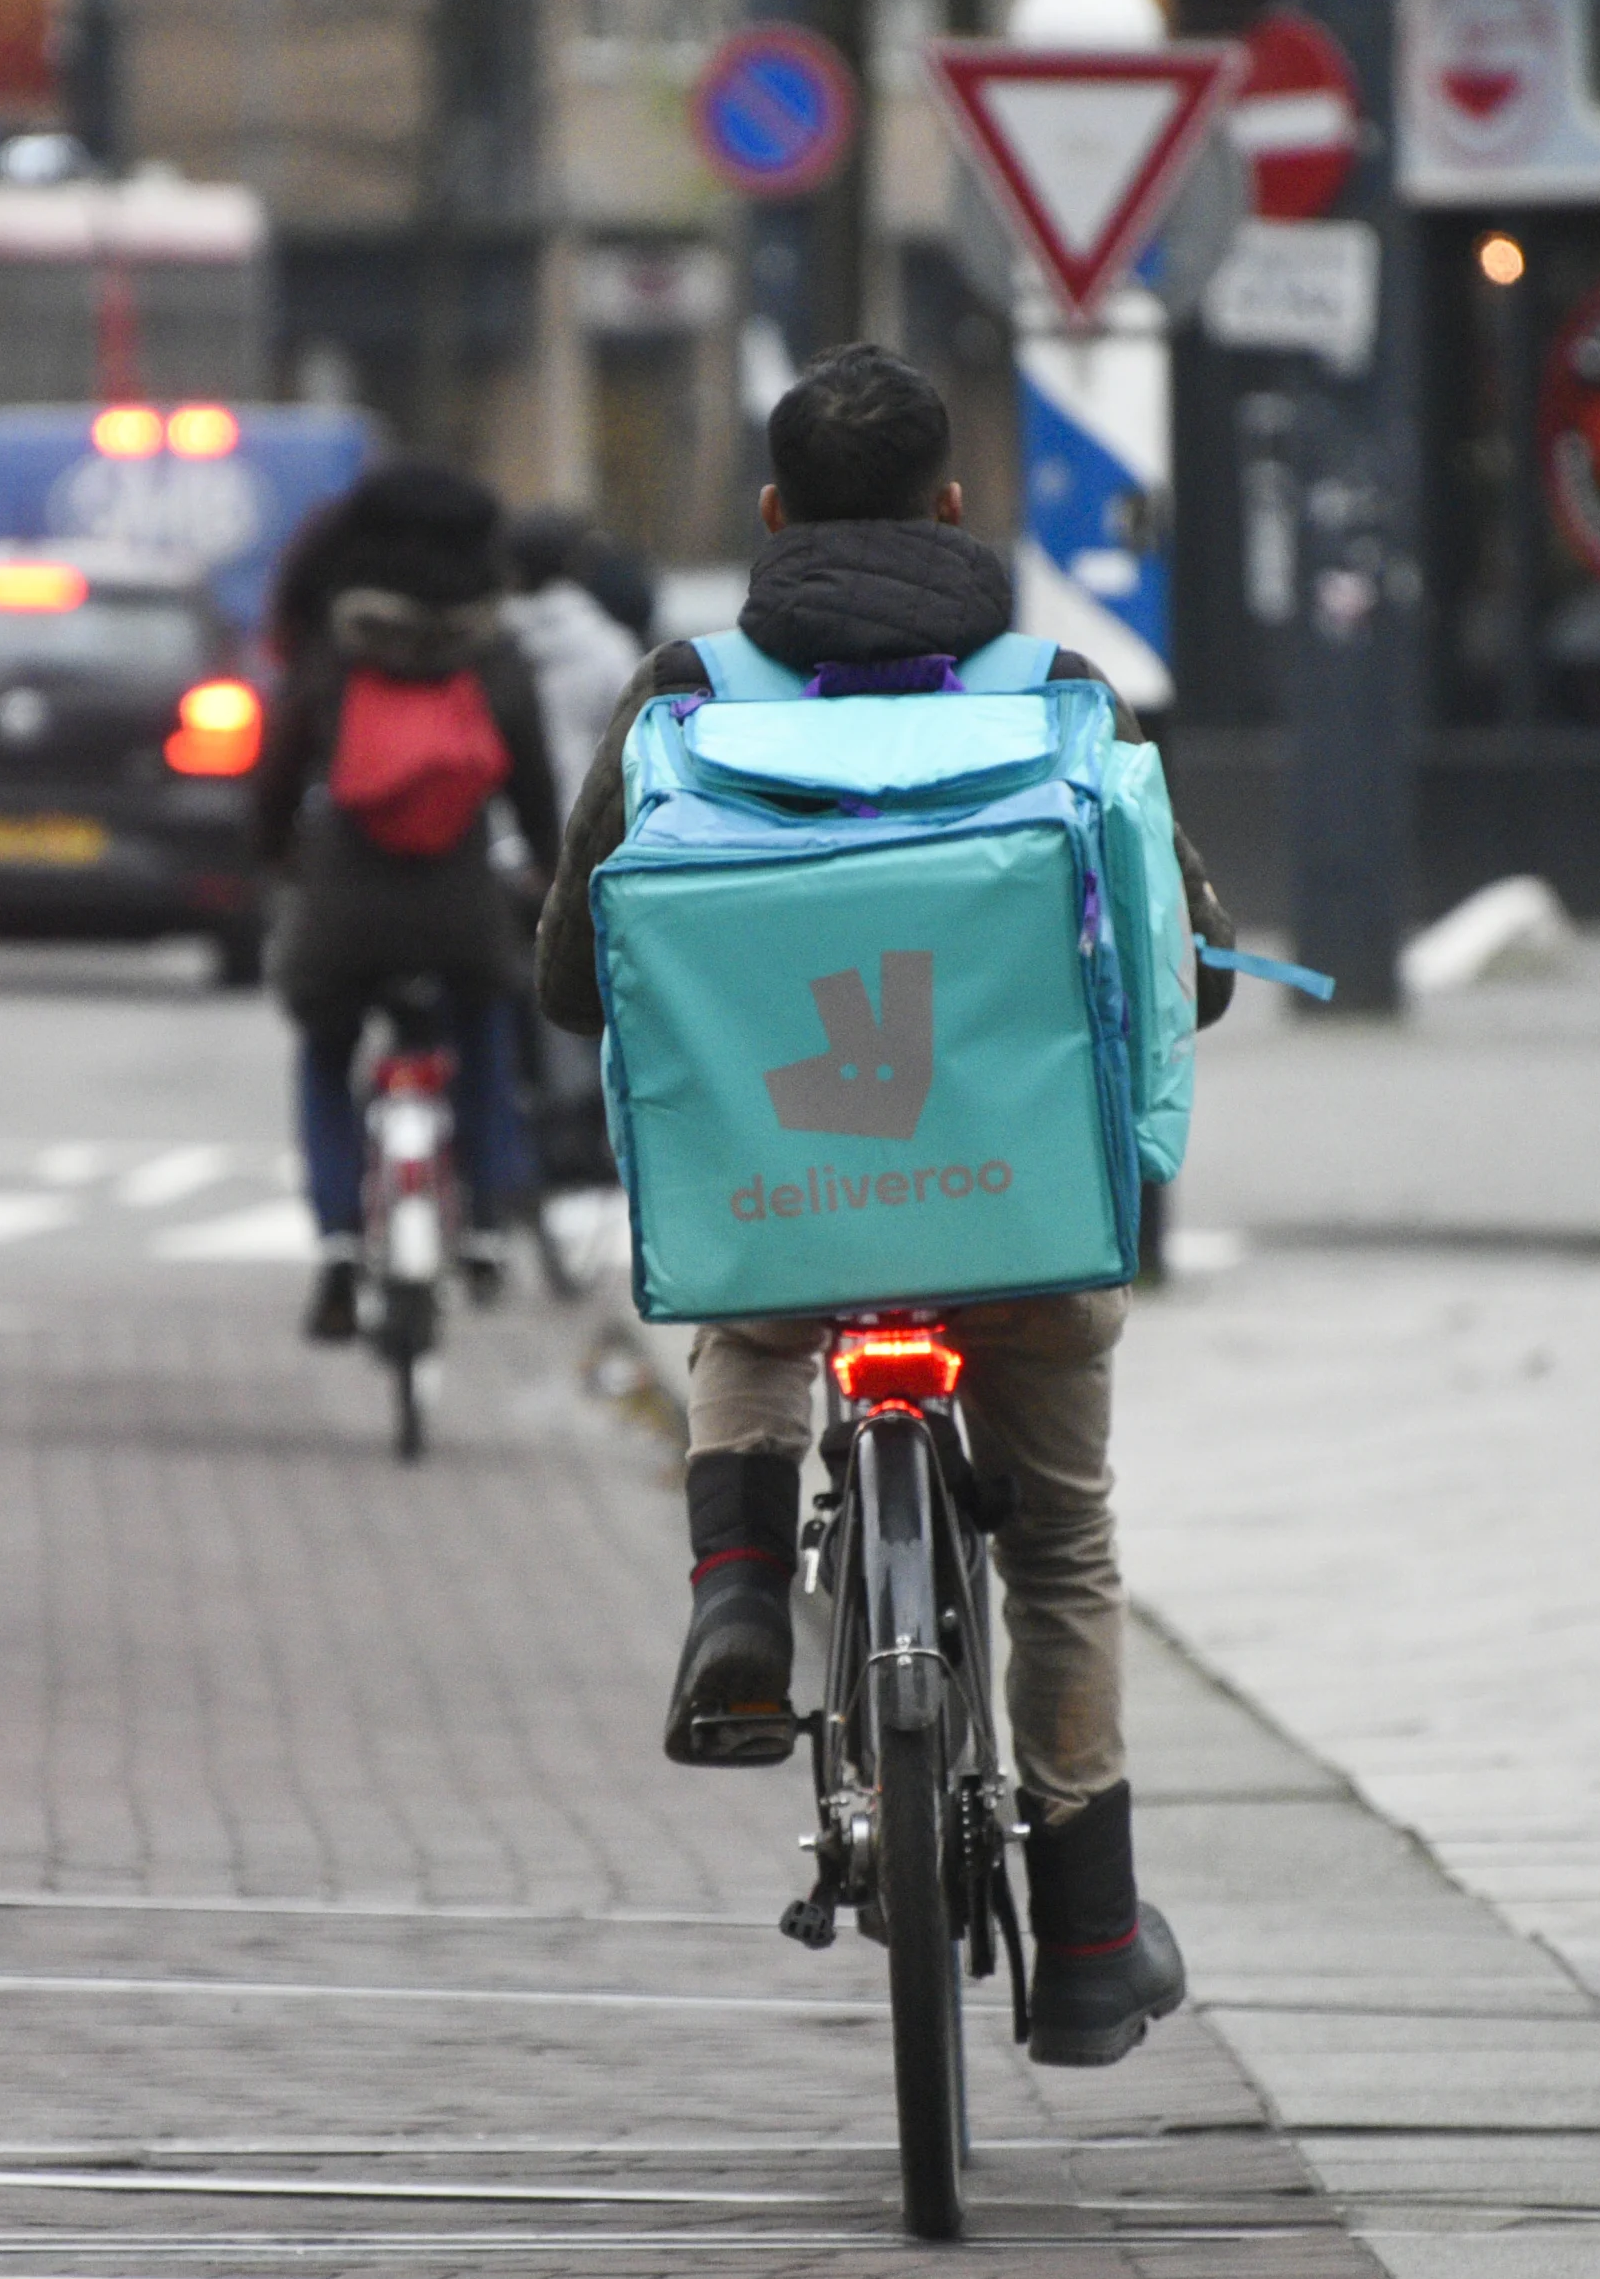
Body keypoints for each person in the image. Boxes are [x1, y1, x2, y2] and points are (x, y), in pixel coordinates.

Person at [533, 343, 1239, 2069]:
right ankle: (1089, 1939)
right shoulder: (1058, 689)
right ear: (953, 505)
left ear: (772, 515)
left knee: (751, 1287)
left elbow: (570, 972)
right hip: (1020, 1220)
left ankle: (739, 1589)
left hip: (791, 1203)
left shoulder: (686, 694)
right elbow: (1194, 961)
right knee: (1060, 1542)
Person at [255, 462, 562, 1341]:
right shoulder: (492, 658)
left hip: (341, 904)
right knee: (485, 1029)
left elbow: (275, 778)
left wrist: (277, 856)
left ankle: (337, 1242)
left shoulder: (332, 653)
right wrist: (547, 872)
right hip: (461, 904)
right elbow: (534, 789)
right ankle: (488, 1225)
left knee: (326, 1049)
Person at [496, 508, 645, 825]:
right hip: (584, 826)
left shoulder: (489, 648)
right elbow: (637, 741)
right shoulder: (607, 645)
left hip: (501, 830)